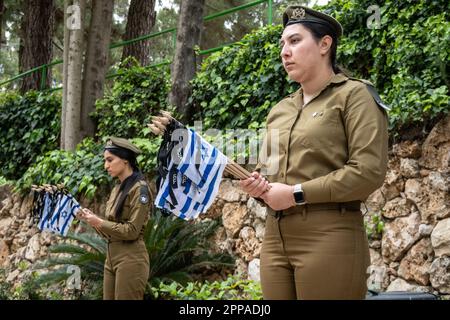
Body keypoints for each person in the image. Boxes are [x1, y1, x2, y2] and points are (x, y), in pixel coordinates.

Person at [239, 5, 389, 300]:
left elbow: (368, 172)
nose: (284, 51)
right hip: (275, 238)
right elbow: (267, 171)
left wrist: (295, 193)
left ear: (324, 44)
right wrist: (256, 185)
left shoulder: (355, 95)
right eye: (282, 43)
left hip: (329, 235)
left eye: (294, 41)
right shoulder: (279, 110)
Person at [77, 137, 152, 300]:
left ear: (125, 160)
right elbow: (110, 231)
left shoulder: (140, 190)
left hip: (131, 258)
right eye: (105, 161)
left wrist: (100, 222)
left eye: (110, 160)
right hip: (111, 257)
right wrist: (91, 220)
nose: (106, 166)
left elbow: (132, 231)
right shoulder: (117, 189)